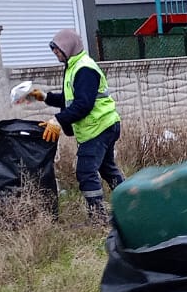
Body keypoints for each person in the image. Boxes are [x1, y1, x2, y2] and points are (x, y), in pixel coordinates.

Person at [29, 28, 123, 219]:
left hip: (98, 127)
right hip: (102, 125)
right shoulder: (74, 66)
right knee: (107, 169)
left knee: (86, 171)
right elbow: (70, 98)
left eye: (57, 50)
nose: (55, 53)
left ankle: (98, 217)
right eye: (53, 50)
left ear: (67, 47)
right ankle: (133, 201)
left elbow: (83, 104)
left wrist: (57, 120)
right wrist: (45, 97)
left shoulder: (84, 69)